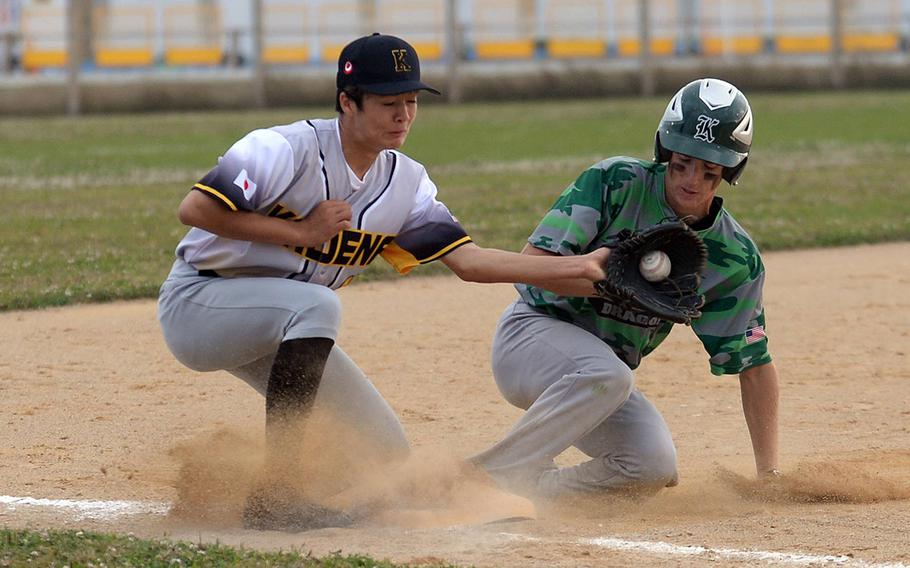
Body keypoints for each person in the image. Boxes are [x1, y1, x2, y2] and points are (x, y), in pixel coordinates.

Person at [156, 32, 607, 532]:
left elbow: (470, 262)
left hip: (281, 327)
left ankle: (278, 494)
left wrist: (580, 268)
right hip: (200, 305)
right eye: (389, 102)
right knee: (317, 307)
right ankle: (276, 493)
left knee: (384, 454)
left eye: (412, 102)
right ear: (347, 103)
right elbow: (195, 209)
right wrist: (299, 232)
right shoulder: (280, 148)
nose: (403, 116)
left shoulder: (406, 183)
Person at [469, 78, 780, 499]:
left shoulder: (733, 257)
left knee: (652, 466)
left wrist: (769, 475)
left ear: (731, 171)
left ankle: (530, 491)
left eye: (710, 171)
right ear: (664, 150)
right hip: (532, 338)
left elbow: (755, 366)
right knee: (609, 374)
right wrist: (605, 285)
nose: (692, 180)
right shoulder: (616, 181)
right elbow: (530, 266)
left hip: (599, 384)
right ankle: (483, 476)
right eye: (682, 162)